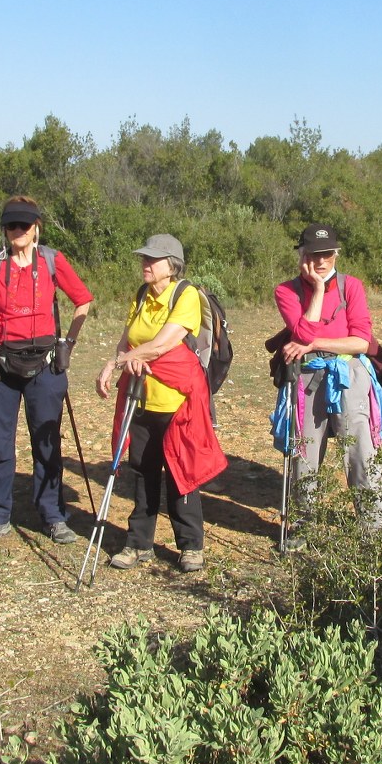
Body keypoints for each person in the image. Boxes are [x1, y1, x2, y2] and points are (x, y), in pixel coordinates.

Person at [0, 196, 94, 546]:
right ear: (4, 229)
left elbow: (83, 299)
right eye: (11, 225)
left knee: (47, 443)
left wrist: (67, 344)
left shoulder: (53, 261)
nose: (18, 231)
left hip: (45, 364)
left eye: (24, 225)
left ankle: (53, 515)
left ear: (36, 227)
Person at [95, 234, 227, 573]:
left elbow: (162, 344)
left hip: (178, 400)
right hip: (143, 398)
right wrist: (123, 358)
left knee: (183, 470)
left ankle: (191, 546)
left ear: (172, 266)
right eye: (144, 258)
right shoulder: (141, 296)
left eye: (153, 260)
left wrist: (120, 362)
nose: (146, 264)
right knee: (142, 470)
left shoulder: (186, 296)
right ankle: (138, 543)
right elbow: (129, 339)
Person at [273, 223, 382, 546]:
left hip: (349, 374)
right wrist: (320, 291)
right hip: (307, 377)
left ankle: (375, 530)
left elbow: (361, 342)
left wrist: (313, 343)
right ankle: (304, 528)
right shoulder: (287, 291)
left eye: (327, 254)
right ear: (302, 256)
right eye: (313, 254)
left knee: (361, 450)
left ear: (336, 254)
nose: (321, 261)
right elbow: (302, 334)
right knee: (304, 451)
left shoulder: (352, 287)